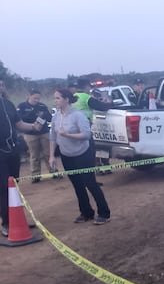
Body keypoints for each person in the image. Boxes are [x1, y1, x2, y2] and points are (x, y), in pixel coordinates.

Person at [48, 87, 111, 225]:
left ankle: (104, 213)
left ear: (66, 99)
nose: (55, 101)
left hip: (83, 153)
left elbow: (86, 135)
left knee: (90, 183)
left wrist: (68, 135)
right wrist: (52, 156)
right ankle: (86, 212)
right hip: (66, 155)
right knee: (77, 185)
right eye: (55, 98)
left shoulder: (77, 115)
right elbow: (52, 136)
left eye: (58, 98)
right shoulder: (56, 116)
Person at [1, 80, 44, 236]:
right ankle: (6, 223)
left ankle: (17, 219)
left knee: (14, 185)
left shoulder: (8, 104)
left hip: (13, 150)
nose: (0, 87)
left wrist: (33, 126)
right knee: (4, 187)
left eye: (2, 85)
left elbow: (19, 124)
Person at [73, 78, 113, 174]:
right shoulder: (86, 97)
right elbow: (102, 107)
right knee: (90, 149)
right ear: (86, 86)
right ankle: (94, 170)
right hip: (85, 126)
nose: (89, 89)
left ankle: (86, 170)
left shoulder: (74, 96)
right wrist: (109, 102)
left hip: (74, 126)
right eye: (89, 87)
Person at [17, 88, 53, 183]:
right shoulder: (22, 106)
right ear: (29, 96)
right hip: (30, 134)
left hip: (44, 132)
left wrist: (44, 114)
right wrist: (32, 114)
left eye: (38, 98)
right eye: (35, 98)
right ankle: (35, 175)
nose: (36, 100)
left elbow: (50, 118)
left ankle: (53, 171)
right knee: (34, 155)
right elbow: (19, 118)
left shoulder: (42, 106)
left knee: (48, 153)